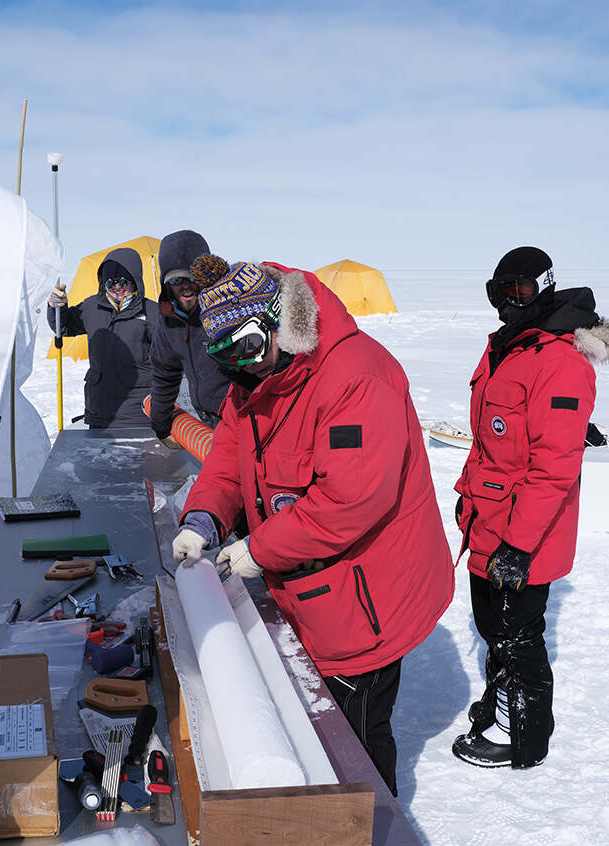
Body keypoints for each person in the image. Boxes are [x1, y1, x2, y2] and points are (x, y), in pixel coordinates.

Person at [171, 254, 454, 796]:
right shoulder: (257, 376)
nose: (244, 366)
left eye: (250, 348)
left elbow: (351, 500)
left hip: (367, 598)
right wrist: (204, 516)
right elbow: (229, 455)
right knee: (317, 731)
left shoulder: (356, 377)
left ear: (283, 320)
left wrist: (260, 549)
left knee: (356, 747)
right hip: (310, 581)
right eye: (227, 356)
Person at [452, 247, 609, 769]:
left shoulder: (559, 360)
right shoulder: (509, 346)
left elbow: (552, 470)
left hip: (524, 533)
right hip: (489, 519)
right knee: (494, 625)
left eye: (519, 291)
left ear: (543, 287)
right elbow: (497, 435)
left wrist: (518, 545)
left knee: (516, 633)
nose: (507, 302)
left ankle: (521, 736)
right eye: (498, 292)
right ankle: (502, 700)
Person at [47, 247, 157, 428]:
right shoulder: (92, 307)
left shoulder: (152, 312)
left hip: (138, 413)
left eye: (123, 281)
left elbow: (170, 358)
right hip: (100, 409)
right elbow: (64, 326)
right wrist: (56, 308)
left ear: (135, 281)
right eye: (110, 282)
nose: (117, 287)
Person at [149, 230, 231, 448]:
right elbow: (165, 374)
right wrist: (161, 426)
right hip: (208, 424)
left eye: (192, 277)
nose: (185, 285)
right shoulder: (168, 319)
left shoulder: (228, 309)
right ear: (166, 284)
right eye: (176, 279)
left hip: (242, 422)